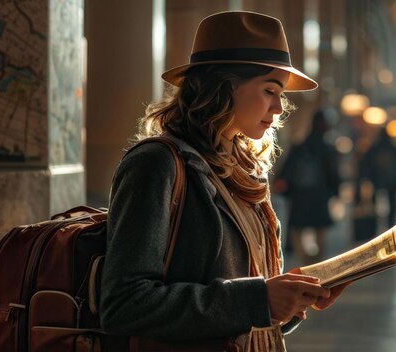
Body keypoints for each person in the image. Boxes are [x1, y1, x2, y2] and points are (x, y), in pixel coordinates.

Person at [99, 11, 349, 351]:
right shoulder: (156, 163)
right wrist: (258, 298)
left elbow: (243, 308)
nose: (279, 108)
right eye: (270, 90)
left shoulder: (242, 169)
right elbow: (124, 305)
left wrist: (289, 301)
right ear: (224, 85)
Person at [275, 109, 340, 264]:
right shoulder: (327, 148)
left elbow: (287, 170)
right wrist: (334, 191)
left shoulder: (300, 146)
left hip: (300, 194)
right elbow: (333, 174)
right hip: (319, 194)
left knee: (297, 227)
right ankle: (318, 263)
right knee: (320, 229)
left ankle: (303, 260)